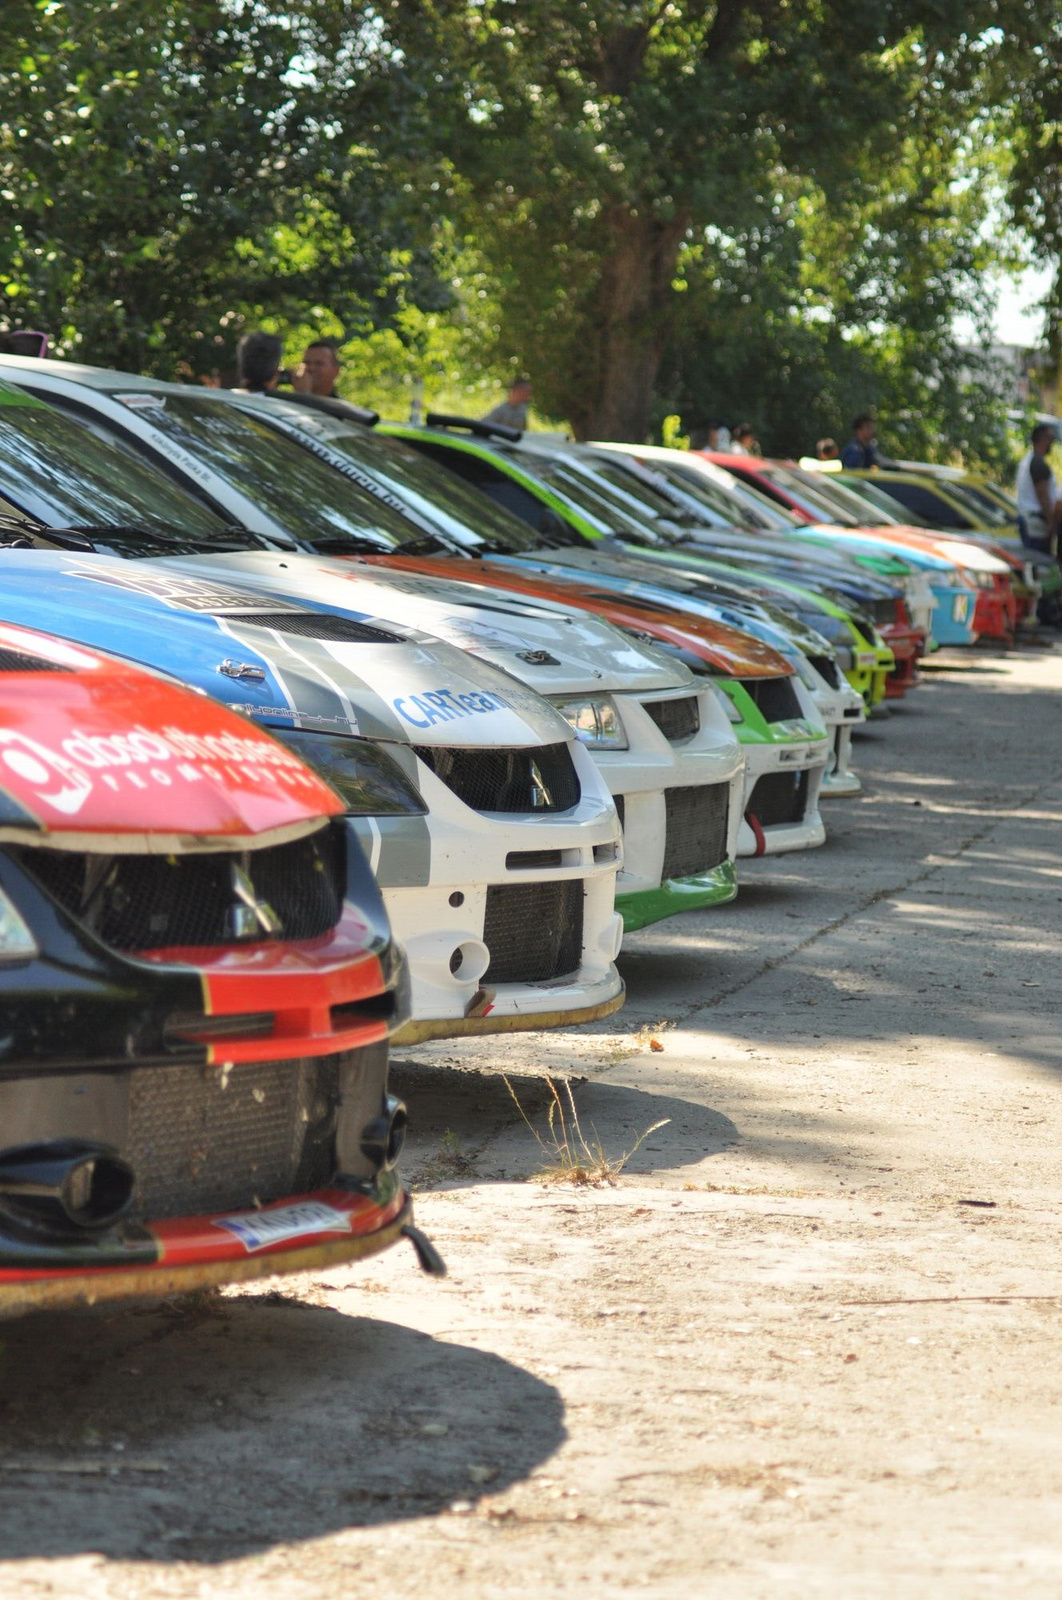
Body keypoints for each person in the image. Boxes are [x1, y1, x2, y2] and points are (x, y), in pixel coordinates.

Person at [1016, 422, 1062, 552]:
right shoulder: (1038, 463)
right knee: (1040, 563)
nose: (1052, 444)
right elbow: (1042, 495)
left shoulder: (1027, 460)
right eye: (1051, 440)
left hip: (1028, 519)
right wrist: (1051, 522)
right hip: (1036, 523)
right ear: (1044, 439)